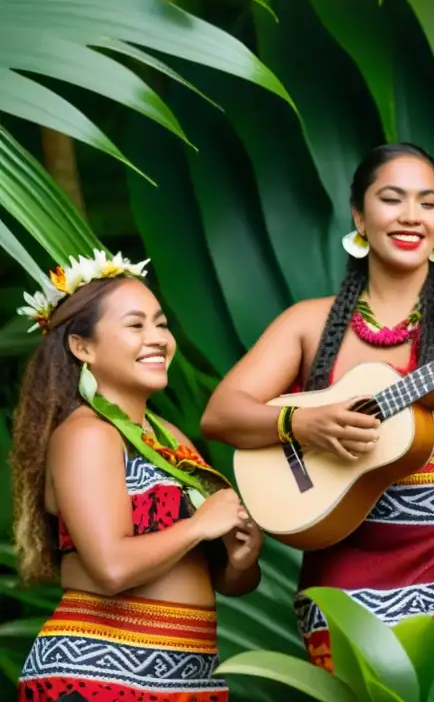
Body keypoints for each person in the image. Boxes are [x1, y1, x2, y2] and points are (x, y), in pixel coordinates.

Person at [200, 143, 434, 700]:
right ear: (359, 215)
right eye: (392, 199)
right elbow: (222, 414)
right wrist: (300, 426)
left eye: (428, 203)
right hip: (349, 548)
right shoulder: (308, 323)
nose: (411, 216)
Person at [10, 251, 263, 701]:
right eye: (135, 326)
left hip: (189, 675)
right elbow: (110, 568)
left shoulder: (171, 438)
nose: (158, 338)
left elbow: (221, 581)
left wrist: (241, 560)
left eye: (161, 323)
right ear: (82, 347)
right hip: (99, 674)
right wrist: (202, 524)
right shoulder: (87, 435)